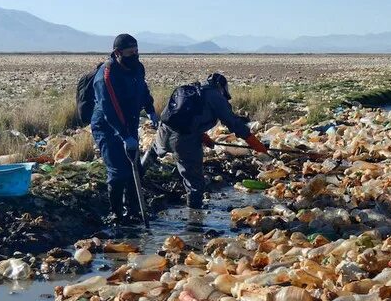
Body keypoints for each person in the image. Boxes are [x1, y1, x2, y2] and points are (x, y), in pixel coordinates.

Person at [141, 73, 268, 209]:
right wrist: (254, 143)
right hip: (184, 140)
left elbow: (183, 117)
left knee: (153, 152)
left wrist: (202, 136)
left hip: (164, 131)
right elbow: (234, 123)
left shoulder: (191, 89)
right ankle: (194, 220)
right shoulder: (215, 96)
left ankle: (134, 177)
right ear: (221, 87)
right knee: (194, 181)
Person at [90, 33, 158, 223]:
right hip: (106, 126)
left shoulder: (137, 68)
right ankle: (116, 214)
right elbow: (109, 108)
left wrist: (151, 110)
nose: (135, 55)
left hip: (129, 123)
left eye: (137, 51)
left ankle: (134, 210)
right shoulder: (107, 75)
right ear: (118, 53)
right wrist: (124, 136)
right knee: (118, 170)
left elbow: (143, 90)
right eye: (130, 52)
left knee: (134, 166)